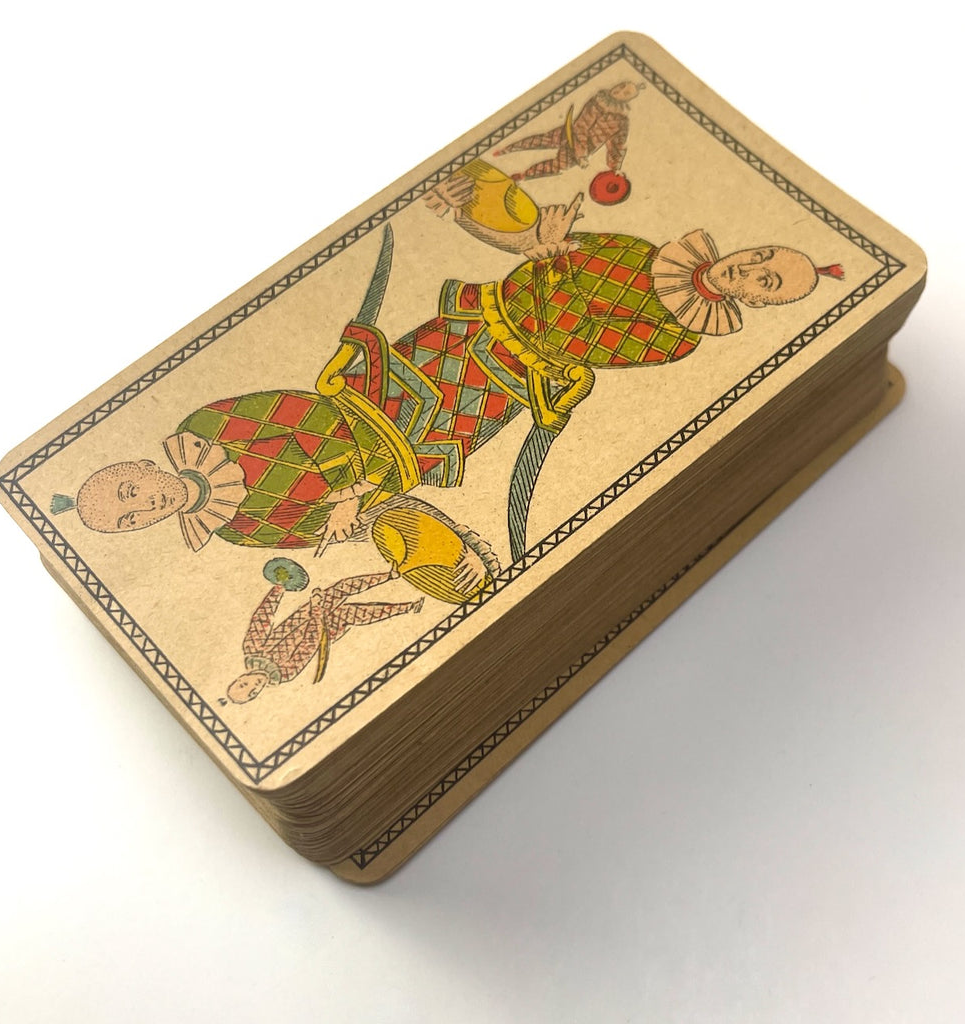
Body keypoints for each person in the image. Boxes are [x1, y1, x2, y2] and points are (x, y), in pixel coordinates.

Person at [55, 170, 840, 561]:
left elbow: (590, 340)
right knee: (427, 427)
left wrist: (547, 269)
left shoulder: (681, 338)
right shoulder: (227, 526)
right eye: (130, 512)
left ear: (758, 303)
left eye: (766, 281)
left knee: (454, 414)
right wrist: (343, 516)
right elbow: (302, 527)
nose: (142, 503)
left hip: (483, 377)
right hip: (434, 370)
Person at [222, 567, 422, 700]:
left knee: (342, 588)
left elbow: (262, 618)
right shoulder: (285, 673)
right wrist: (317, 609)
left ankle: (389, 575)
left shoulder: (252, 649)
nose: (253, 686)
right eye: (252, 693)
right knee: (355, 613)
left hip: (304, 614)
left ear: (240, 678)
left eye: (244, 685)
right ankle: (408, 607)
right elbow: (309, 645)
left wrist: (278, 590)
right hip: (323, 628)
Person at [493, 81, 644, 181]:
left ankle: (523, 175)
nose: (619, 91)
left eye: (626, 93)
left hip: (585, 149)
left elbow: (617, 145)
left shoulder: (622, 121)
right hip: (571, 135)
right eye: (621, 86)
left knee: (559, 166)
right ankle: (505, 150)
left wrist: (614, 168)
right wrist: (581, 154)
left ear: (628, 99)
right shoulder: (598, 102)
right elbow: (581, 126)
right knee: (539, 140)